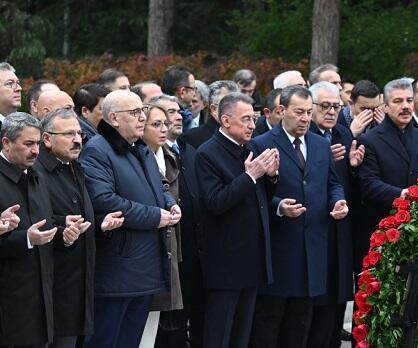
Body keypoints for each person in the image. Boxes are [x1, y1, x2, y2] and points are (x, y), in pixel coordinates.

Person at [79, 90, 181, 347]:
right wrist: (155, 216)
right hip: (118, 267)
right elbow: (104, 199)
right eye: (134, 112)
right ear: (113, 118)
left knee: (130, 340)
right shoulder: (97, 151)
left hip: (146, 266)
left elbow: (159, 186)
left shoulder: (141, 148)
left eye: (142, 111)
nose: (141, 117)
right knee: (105, 339)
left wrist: (169, 205)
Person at [249, 85, 348, 347]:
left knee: (301, 322)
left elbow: (332, 183)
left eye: (308, 112)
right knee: (270, 320)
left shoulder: (318, 144)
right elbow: (253, 195)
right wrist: (279, 206)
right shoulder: (261, 143)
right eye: (298, 112)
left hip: (313, 247)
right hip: (279, 247)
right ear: (282, 111)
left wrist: (338, 202)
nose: (305, 118)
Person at [34, 108, 123, 348]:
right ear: (47, 138)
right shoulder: (35, 172)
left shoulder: (74, 166)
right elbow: (32, 220)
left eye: (79, 133)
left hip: (77, 283)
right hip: (50, 286)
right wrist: (63, 230)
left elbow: (80, 216)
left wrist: (99, 224)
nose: (77, 139)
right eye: (68, 134)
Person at [196, 92, 278, 347]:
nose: (252, 125)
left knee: (242, 334)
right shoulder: (207, 154)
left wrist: (272, 177)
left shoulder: (250, 148)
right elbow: (216, 202)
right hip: (225, 261)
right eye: (246, 120)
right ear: (225, 121)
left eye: (253, 119)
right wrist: (251, 176)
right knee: (220, 333)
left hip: (252, 257)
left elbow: (258, 198)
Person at [357, 77, 418, 290]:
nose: (405, 106)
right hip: (382, 228)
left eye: (409, 100)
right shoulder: (370, 140)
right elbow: (369, 184)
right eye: (398, 101)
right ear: (385, 106)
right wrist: (403, 194)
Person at [306, 82, 364, 347]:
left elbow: (344, 183)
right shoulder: (304, 135)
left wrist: (352, 168)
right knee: (312, 309)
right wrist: (318, 159)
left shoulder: (342, 133)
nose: (331, 112)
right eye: (324, 106)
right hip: (312, 227)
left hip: (340, 226)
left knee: (336, 302)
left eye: (336, 107)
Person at [0, 113, 58, 347]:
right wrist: (25, 239)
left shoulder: (37, 176)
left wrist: (64, 229)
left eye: (37, 144)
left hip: (40, 297)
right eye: (28, 144)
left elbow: (44, 222)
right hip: (9, 304)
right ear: (6, 143)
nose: (36, 151)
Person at [139, 103, 185, 348]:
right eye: (155, 124)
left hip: (171, 240)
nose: (163, 129)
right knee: (142, 323)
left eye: (165, 124)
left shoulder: (168, 152)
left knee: (158, 324)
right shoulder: (138, 156)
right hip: (149, 244)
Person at [180, 80, 239, 149]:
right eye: (228, 105)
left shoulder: (245, 135)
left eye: (237, 105)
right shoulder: (191, 138)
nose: (234, 110)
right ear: (214, 109)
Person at [161, 65, 197, 133]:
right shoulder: (183, 120)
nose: (195, 94)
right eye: (193, 89)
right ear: (182, 92)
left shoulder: (156, 113)